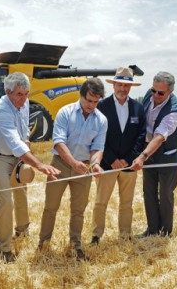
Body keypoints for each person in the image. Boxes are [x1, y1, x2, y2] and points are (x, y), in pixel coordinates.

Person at [0, 72, 60, 263]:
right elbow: (13, 141)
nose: (24, 98)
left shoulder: (24, 102)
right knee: (5, 200)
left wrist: (26, 142)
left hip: (17, 155)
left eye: (26, 93)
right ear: (7, 92)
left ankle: (22, 230)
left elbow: (24, 128)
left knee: (21, 192)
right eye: (19, 94)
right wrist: (39, 164)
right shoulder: (1, 109)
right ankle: (4, 248)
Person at [38, 77, 107, 260]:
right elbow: (59, 142)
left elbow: (97, 148)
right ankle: (43, 244)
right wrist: (73, 163)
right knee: (50, 207)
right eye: (89, 100)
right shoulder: (65, 112)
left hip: (84, 168)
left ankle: (76, 246)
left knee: (78, 210)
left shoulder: (101, 120)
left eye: (95, 102)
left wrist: (96, 164)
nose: (91, 105)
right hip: (60, 164)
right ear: (81, 96)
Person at [91, 67, 146, 244]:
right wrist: (111, 159)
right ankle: (96, 235)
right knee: (101, 202)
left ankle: (125, 234)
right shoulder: (101, 106)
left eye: (126, 86)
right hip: (107, 164)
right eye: (120, 84)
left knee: (127, 203)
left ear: (131, 87)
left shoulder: (138, 108)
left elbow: (141, 136)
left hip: (129, 166)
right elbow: (97, 136)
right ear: (114, 84)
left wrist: (128, 159)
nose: (123, 89)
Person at [131, 71, 177, 237]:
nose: (155, 95)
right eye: (153, 90)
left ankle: (165, 232)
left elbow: (160, 136)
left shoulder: (173, 112)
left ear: (170, 91)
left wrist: (142, 156)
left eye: (160, 93)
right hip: (149, 150)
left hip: (167, 155)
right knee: (148, 191)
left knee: (165, 194)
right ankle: (152, 229)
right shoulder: (151, 94)